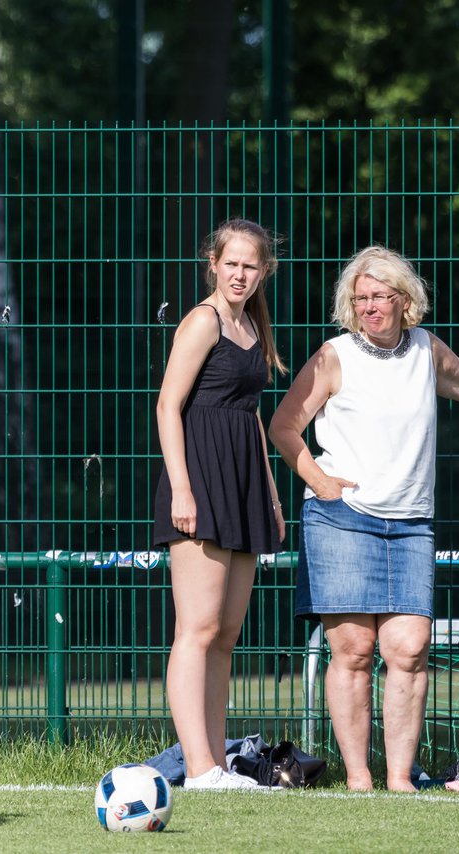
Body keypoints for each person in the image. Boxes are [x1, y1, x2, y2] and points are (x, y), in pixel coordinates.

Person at [269, 246, 459, 791]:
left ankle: (400, 778)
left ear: (405, 301)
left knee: (408, 650)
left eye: (379, 297)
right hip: (342, 519)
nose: (368, 308)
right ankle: (360, 777)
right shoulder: (334, 355)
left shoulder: (425, 349)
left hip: (410, 525)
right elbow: (285, 426)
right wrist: (319, 482)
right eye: (358, 299)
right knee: (354, 652)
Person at [152, 219, 287, 790]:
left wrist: (273, 495)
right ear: (213, 263)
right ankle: (199, 765)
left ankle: (218, 763)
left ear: (263, 272)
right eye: (231, 263)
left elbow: (250, 414)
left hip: (242, 483)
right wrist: (183, 489)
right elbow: (167, 406)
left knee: (227, 633)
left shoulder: (253, 324)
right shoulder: (202, 321)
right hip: (200, 481)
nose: (240, 274)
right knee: (197, 629)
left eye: (250, 266)